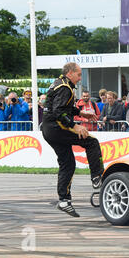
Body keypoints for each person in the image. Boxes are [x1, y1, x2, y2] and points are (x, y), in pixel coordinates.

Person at [42, 62, 104, 217]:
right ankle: (97, 177)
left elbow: (64, 107)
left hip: (48, 129)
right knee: (91, 141)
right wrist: (75, 126)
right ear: (70, 73)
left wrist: (82, 114)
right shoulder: (65, 87)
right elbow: (59, 111)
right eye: (79, 74)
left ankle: (64, 201)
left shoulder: (59, 83)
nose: (80, 77)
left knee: (68, 163)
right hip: (57, 127)